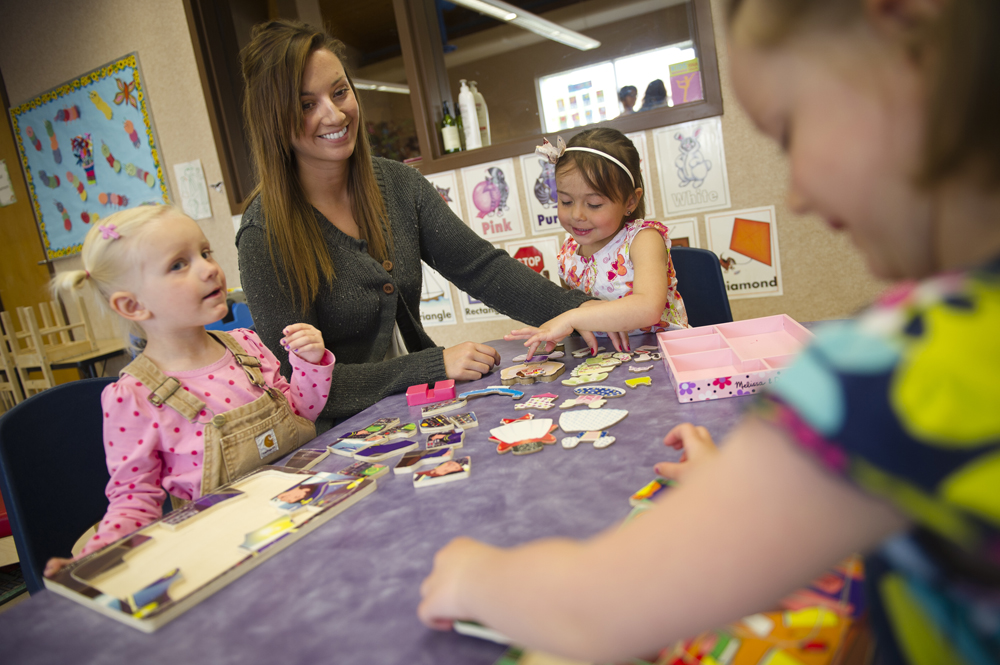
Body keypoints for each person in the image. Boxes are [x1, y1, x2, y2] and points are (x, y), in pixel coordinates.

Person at [418, 0, 1000, 662]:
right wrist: (773, 498)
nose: (799, 193)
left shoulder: (891, 375)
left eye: (791, 131)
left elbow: (594, 607)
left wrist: (474, 574)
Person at [235, 20, 594, 428]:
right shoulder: (264, 234)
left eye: (339, 92)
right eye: (306, 105)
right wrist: (431, 365)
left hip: (428, 412)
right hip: (343, 440)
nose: (334, 114)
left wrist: (585, 313)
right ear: (273, 120)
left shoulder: (399, 185)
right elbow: (296, 384)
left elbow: (481, 268)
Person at [44, 205, 334, 575]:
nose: (209, 267)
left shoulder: (246, 345)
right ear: (133, 305)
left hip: (309, 509)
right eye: (178, 264)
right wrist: (94, 557)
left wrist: (310, 362)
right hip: (232, 553)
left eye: (205, 252)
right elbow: (134, 500)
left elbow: (301, 413)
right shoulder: (133, 396)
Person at [506, 128, 688, 357]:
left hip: (665, 355)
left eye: (593, 204)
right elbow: (571, 303)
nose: (577, 215)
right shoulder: (569, 251)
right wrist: (562, 327)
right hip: (601, 359)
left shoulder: (643, 240)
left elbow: (648, 308)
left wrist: (571, 316)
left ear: (630, 200)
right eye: (566, 201)